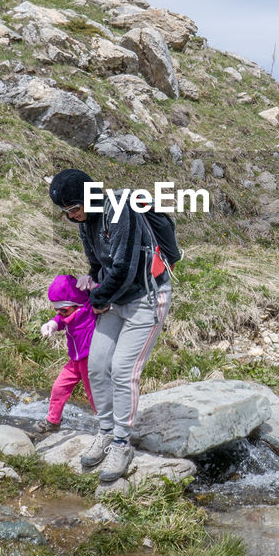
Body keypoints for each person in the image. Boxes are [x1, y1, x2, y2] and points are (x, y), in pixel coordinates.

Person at [49, 168, 172, 483]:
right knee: (97, 364)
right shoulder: (86, 222)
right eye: (65, 213)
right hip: (115, 299)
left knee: (122, 370)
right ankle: (105, 431)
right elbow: (98, 263)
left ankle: (121, 442)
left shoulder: (119, 209)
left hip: (146, 297)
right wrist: (92, 279)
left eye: (74, 209)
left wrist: (97, 299)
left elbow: (126, 267)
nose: (71, 217)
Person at [32, 274, 96, 436]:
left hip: (90, 360)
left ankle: (107, 424)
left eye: (64, 310)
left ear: (77, 303)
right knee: (59, 388)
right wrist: (52, 325)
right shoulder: (66, 314)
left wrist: (92, 284)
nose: (61, 313)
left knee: (94, 394)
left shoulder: (89, 310)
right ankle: (53, 421)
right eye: (57, 310)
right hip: (75, 361)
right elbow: (60, 320)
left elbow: (99, 296)